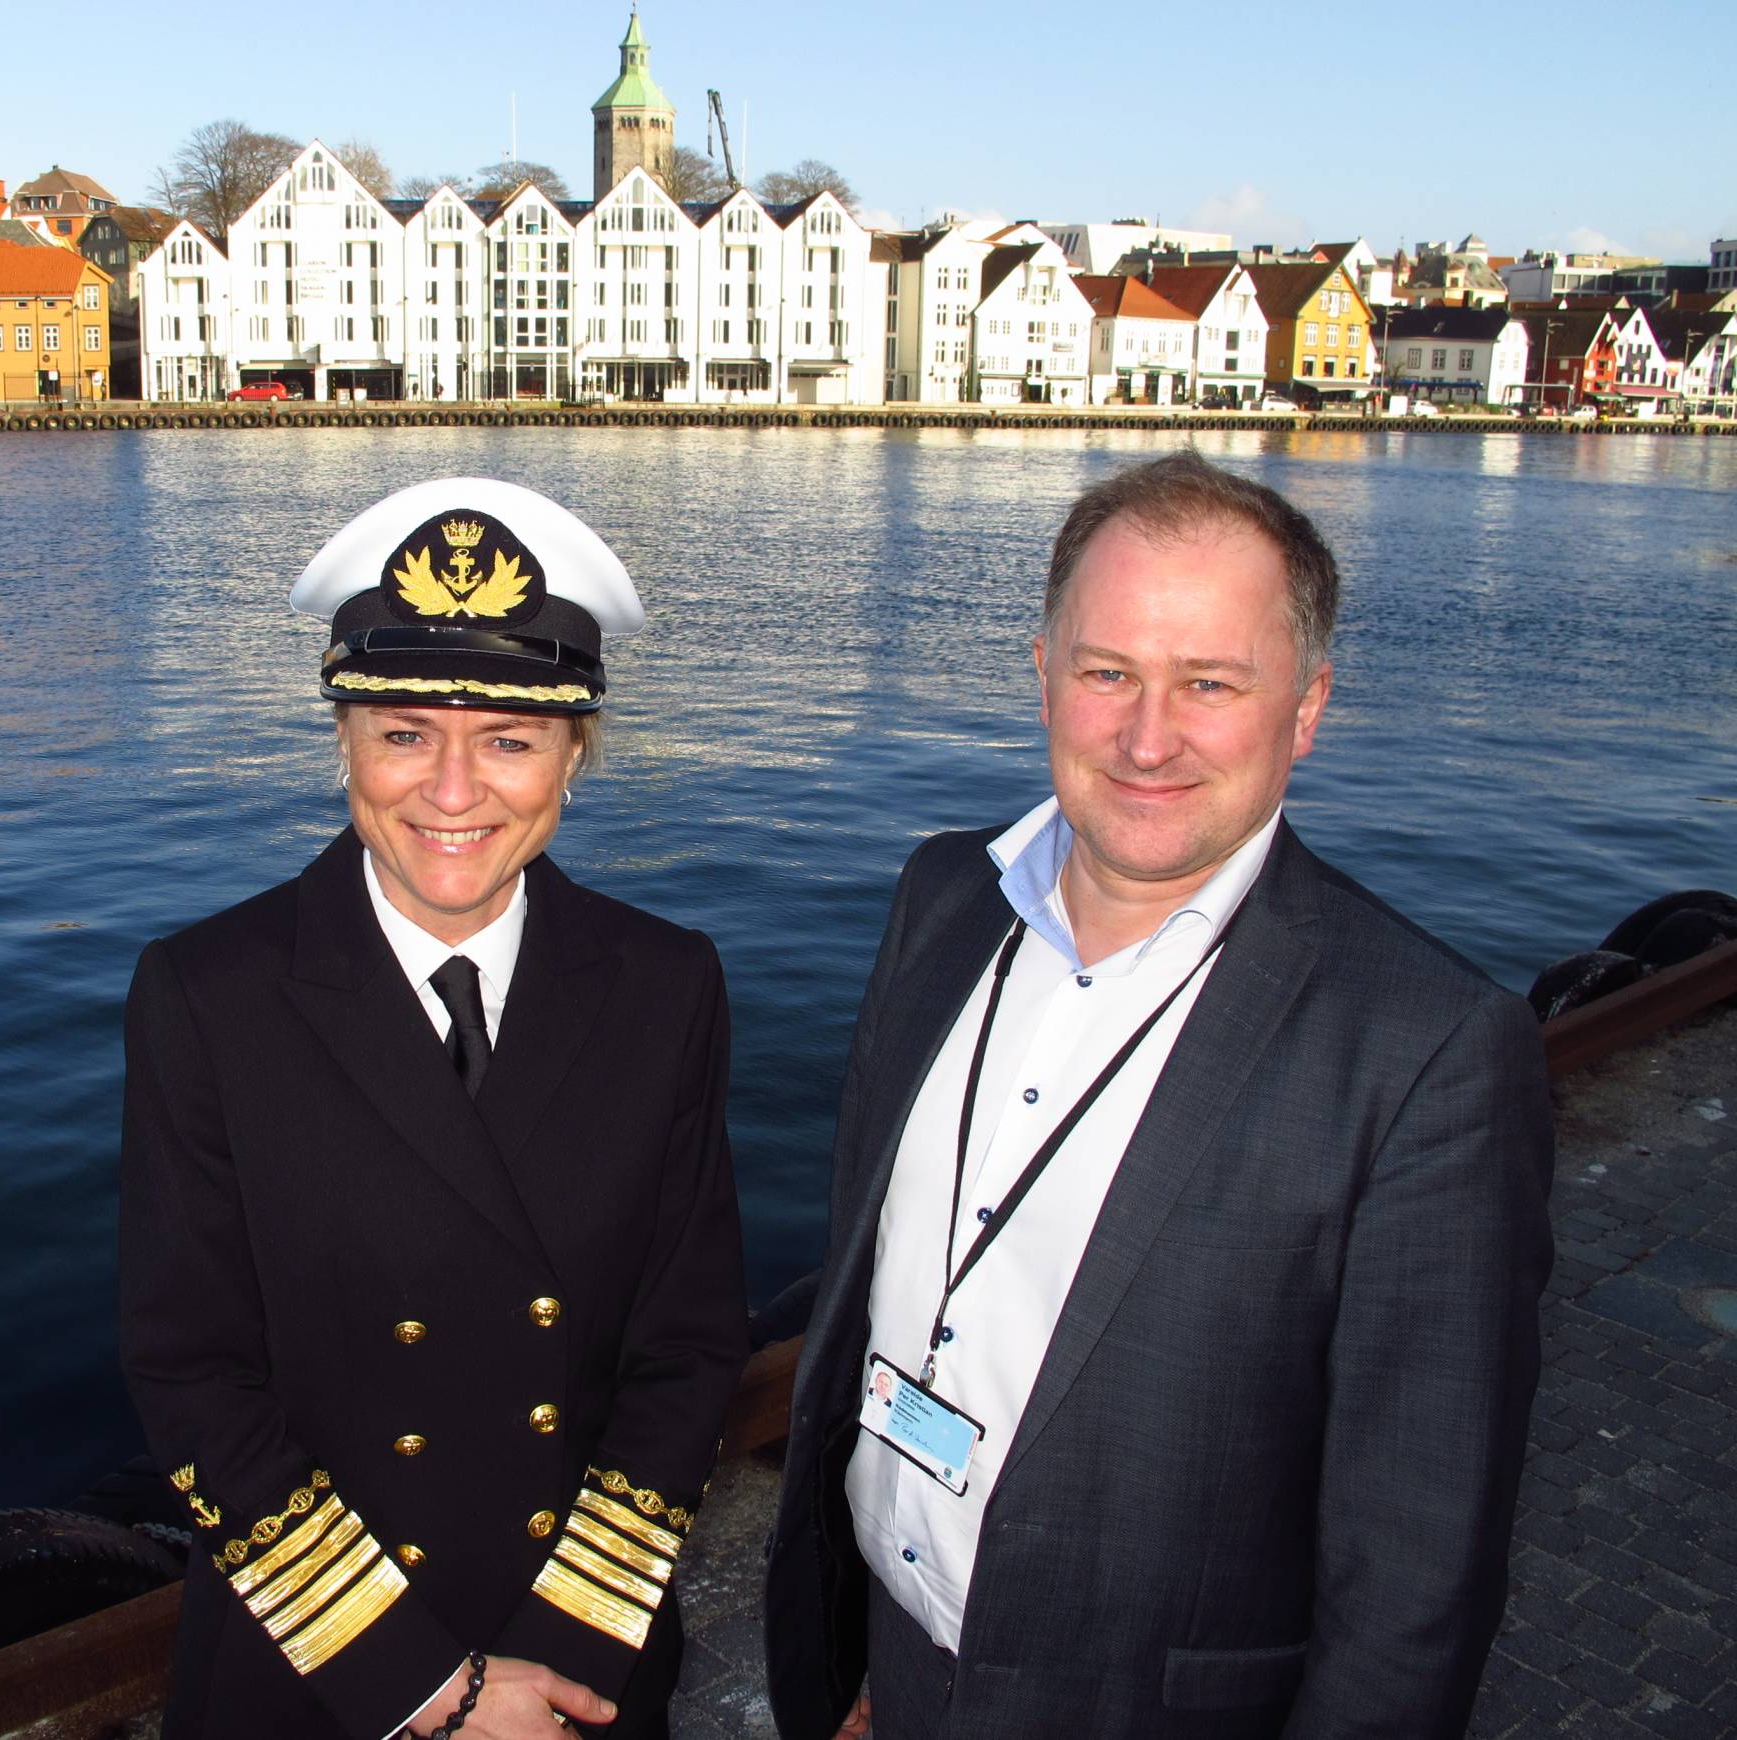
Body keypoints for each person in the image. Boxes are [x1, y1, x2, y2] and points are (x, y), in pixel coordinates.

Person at [763, 451, 1554, 1739]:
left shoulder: (1428, 1049)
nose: (1146, 734)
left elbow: (1417, 1574)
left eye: (1210, 683)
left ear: (1305, 708)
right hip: (885, 1671)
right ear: (1041, 673)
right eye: (1107, 671)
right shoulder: (941, 898)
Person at [120, 477, 749, 1740]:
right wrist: (425, 1688)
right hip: (321, 1672)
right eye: (405, 732)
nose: (452, 792)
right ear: (342, 742)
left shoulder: (663, 985)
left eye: (509, 739)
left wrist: (559, 1658)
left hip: (578, 1666)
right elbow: (188, 1367)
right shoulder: (210, 995)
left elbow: (687, 1348)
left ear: (575, 753)